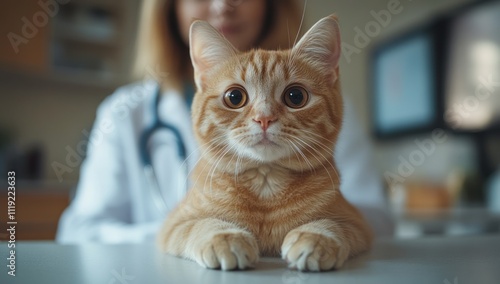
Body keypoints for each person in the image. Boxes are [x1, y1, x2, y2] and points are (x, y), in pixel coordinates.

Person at [56, 0, 393, 244]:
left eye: (292, 97)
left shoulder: (322, 102)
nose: (222, 5)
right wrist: (192, 234)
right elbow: (79, 231)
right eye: (235, 98)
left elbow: (375, 218)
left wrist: (310, 235)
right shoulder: (125, 110)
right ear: (168, 7)